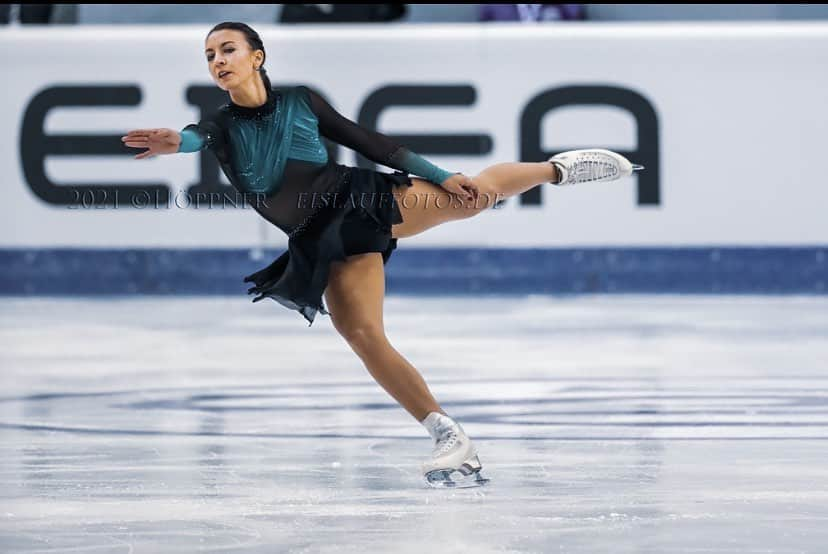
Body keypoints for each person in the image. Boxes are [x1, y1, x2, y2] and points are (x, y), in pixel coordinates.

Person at [122, 21, 640, 488]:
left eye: (228, 49)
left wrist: (439, 176)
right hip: (317, 236)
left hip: (358, 202)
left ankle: (561, 169)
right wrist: (178, 142)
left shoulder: (302, 101)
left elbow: (372, 143)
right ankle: (448, 435)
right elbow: (193, 138)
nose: (218, 61)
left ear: (257, 56)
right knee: (363, 335)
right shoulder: (221, 126)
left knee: (474, 196)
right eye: (209, 55)